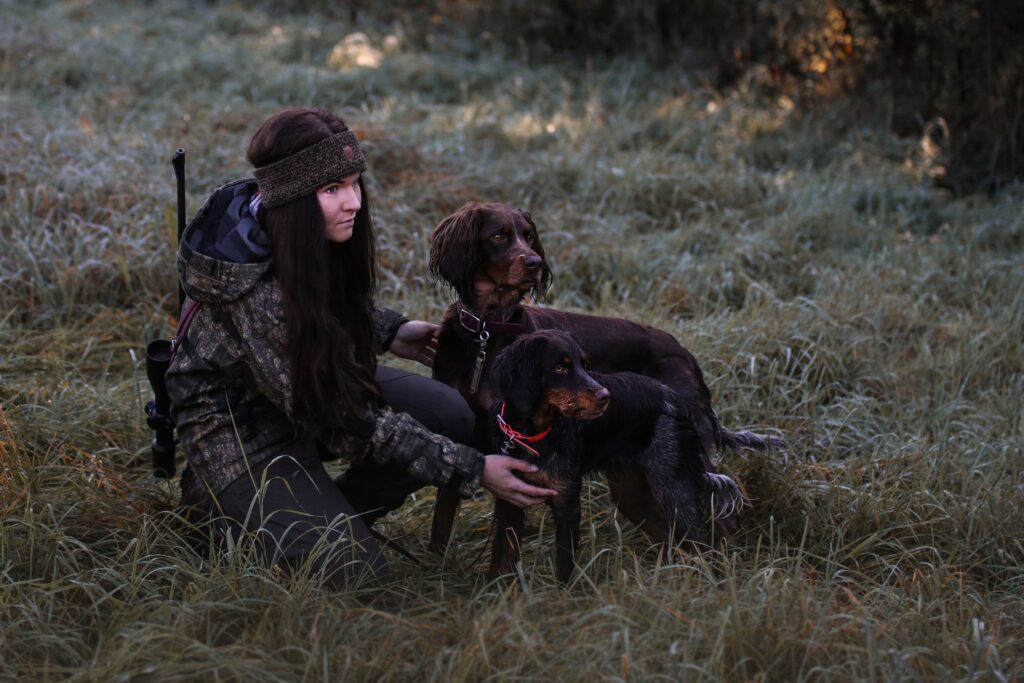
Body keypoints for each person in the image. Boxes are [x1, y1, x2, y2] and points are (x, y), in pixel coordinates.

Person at [165, 106, 555, 587]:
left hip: (305, 386)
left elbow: (314, 304)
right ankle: (217, 513)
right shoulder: (257, 296)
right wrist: (475, 470)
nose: (353, 202)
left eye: (353, 182)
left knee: (448, 414)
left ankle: (325, 514)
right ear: (292, 197)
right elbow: (346, 421)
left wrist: (390, 330)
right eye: (332, 190)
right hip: (241, 434)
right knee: (354, 570)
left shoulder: (285, 225)